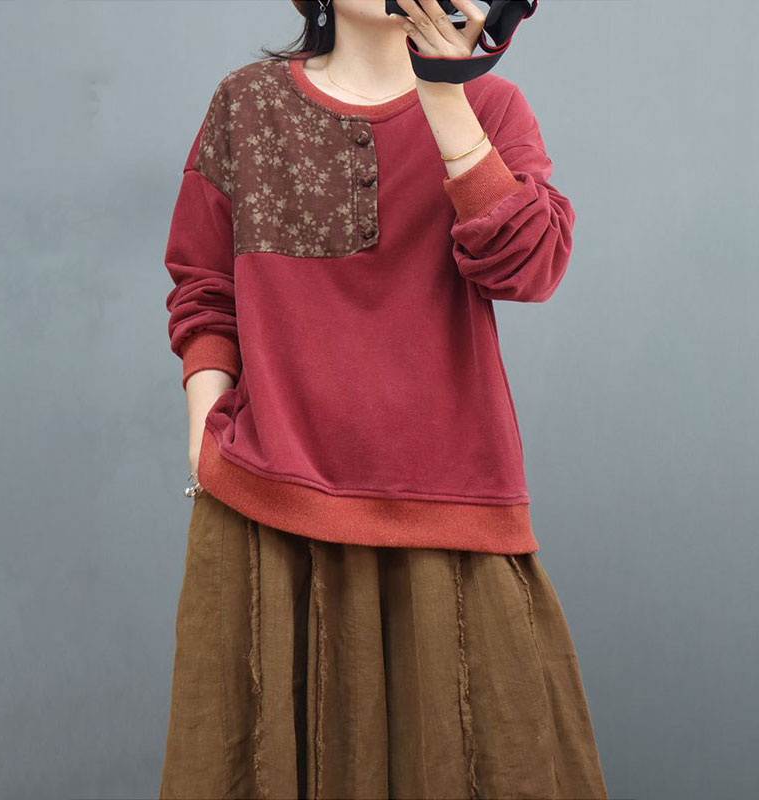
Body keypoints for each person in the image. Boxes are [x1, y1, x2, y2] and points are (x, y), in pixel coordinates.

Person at [158, 1, 608, 798]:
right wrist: (203, 439)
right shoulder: (247, 104)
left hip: (448, 513)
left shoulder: (489, 106)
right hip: (267, 509)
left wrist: (444, 92)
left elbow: (529, 266)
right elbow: (204, 287)